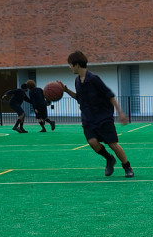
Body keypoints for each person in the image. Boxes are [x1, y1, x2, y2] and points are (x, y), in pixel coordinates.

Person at [57, 50, 134, 178]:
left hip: (103, 118)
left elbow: (110, 96)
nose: (69, 67)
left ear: (76, 64)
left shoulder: (93, 79)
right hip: (88, 119)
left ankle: (127, 166)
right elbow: (79, 98)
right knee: (92, 142)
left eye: (70, 64)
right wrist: (66, 90)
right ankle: (109, 159)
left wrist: (121, 113)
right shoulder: (77, 81)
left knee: (112, 144)